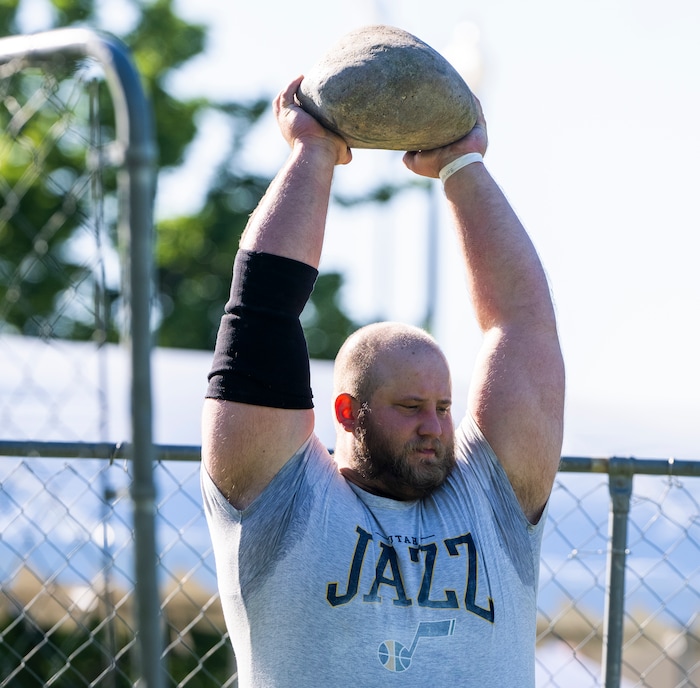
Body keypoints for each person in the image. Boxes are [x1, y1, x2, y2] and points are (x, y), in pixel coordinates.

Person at [200, 75, 565, 687]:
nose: (435, 427)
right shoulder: (283, 503)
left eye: (445, 407)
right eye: (411, 406)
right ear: (348, 411)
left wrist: (462, 167)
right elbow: (261, 311)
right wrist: (312, 153)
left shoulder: (491, 503)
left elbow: (523, 325)